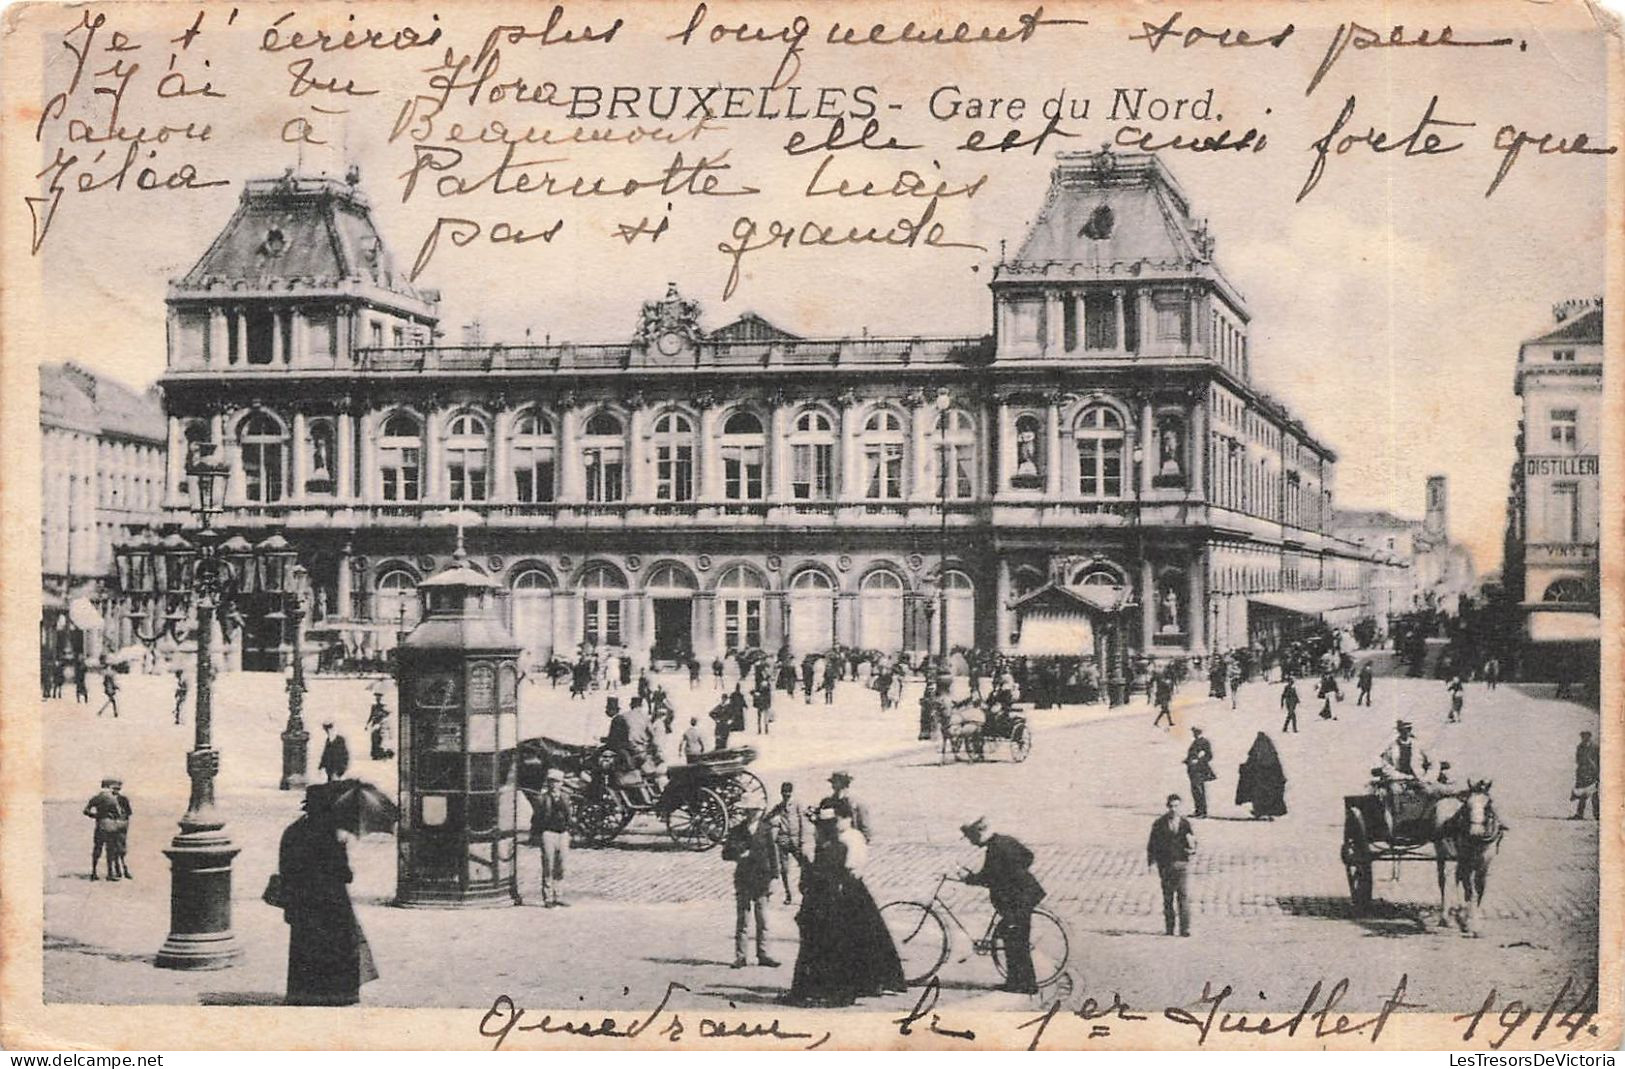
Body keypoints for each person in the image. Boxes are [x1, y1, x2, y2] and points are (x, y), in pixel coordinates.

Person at [782, 807, 906, 1007]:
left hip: (824, 904)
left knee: (816, 949)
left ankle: (810, 992)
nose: (815, 832)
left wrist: (803, 862)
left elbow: (819, 877)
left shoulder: (829, 848)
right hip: (838, 901)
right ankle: (837, 991)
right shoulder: (839, 846)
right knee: (838, 948)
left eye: (817, 828)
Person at [278, 784, 379, 1005]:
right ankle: (338, 994)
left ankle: (304, 993)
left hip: (303, 902)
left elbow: (285, 869)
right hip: (332, 904)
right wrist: (342, 849)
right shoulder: (330, 835)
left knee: (305, 948)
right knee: (338, 947)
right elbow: (345, 875)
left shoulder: (293, 831)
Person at [959, 817, 1045, 994]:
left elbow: (987, 877)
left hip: (1018, 900)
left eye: (971, 837)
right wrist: (1016, 874)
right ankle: (1015, 982)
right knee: (1011, 938)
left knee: (1016, 942)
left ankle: (1026, 985)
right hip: (1025, 895)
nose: (971, 842)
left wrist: (968, 878)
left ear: (979, 833)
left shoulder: (995, 850)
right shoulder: (1005, 840)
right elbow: (1029, 856)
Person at [723, 801, 781, 968]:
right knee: (743, 919)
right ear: (746, 812)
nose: (754, 813)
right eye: (750, 810)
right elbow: (726, 853)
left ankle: (763, 954)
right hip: (744, 879)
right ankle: (741, 956)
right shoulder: (737, 831)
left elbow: (773, 854)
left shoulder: (766, 830)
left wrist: (775, 877)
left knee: (762, 919)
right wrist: (739, 853)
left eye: (756, 810)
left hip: (762, 879)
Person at [1146, 794, 1197, 937]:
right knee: (1168, 897)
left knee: (1183, 896)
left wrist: (1192, 850)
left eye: (1176, 806)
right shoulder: (1159, 823)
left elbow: (1193, 842)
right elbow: (1152, 844)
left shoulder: (1185, 824)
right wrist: (1151, 862)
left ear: (1180, 807)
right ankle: (1169, 927)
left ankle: (1185, 928)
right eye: (1171, 806)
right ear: (1167, 807)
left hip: (1182, 863)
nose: (1174, 809)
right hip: (1166, 865)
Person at [527, 768, 574, 907]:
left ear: (561, 783)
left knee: (561, 866)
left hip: (563, 833)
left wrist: (569, 830)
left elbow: (569, 815)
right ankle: (547, 897)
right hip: (548, 833)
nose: (555, 785)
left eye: (557, 782)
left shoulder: (565, 797)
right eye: (552, 782)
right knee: (548, 865)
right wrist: (537, 834)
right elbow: (535, 819)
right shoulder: (542, 798)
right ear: (548, 783)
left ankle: (558, 895)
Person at [83, 778, 131, 881]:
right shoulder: (110, 799)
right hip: (111, 827)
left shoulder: (97, 798)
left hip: (102, 826)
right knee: (109, 850)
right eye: (114, 788)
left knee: (99, 849)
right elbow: (122, 814)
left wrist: (96, 816)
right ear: (109, 787)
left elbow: (86, 811)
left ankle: (96, 872)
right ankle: (108, 874)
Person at [1235, 732, 1288, 819]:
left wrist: (1246, 768)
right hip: (1267, 779)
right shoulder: (1271, 754)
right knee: (1265, 795)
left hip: (1262, 779)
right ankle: (1266, 811)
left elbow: (1253, 762)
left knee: (1258, 794)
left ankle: (1260, 811)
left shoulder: (1259, 752)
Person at [766, 782, 804, 905]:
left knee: (804, 866)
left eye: (788, 793)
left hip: (796, 839)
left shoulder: (797, 805)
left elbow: (803, 822)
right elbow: (767, 817)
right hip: (783, 839)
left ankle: (806, 892)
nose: (786, 795)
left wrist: (802, 839)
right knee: (784, 869)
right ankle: (788, 894)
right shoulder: (779, 806)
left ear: (791, 793)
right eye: (784, 793)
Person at [816, 772, 871, 851]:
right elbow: (821, 824)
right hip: (832, 845)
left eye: (837, 782)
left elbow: (864, 827)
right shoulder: (827, 802)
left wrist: (861, 845)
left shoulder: (856, 802)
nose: (834, 786)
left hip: (852, 844)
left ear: (845, 784)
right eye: (833, 782)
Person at [1183, 728, 1216, 818]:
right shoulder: (1195, 741)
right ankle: (1198, 810)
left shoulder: (1204, 741)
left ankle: (1202, 812)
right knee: (1195, 790)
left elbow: (1209, 756)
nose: (1193, 734)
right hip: (1193, 769)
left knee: (1199, 790)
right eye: (1193, 732)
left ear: (1199, 732)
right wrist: (1187, 760)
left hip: (1200, 770)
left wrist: (1198, 761)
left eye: (1195, 732)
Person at [1572, 730, 1601, 820]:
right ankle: (1580, 814)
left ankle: (1597, 815)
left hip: (1593, 773)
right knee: (1582, 794)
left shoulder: (1595, 747)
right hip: (1583, 773)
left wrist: (1598, 773)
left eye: (1585, 736)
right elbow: (1577, 760)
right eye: (1582, 736)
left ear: (1589, 736)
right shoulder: (1580, 747)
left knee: (1594, 795)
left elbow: (1599, 760)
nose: (1583, 738)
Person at [365, 695, 393, 760]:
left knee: (379, 740)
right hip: (374, 725)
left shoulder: (383, 707)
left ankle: (379, 754)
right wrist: (367, 724)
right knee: (373, 739)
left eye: (379, 698)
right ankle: (375, 754)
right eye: (377, 698)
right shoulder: (374, 706)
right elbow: (371, 715)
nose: (378, 699)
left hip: (381, 725)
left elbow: (388, 715)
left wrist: (383, 713)